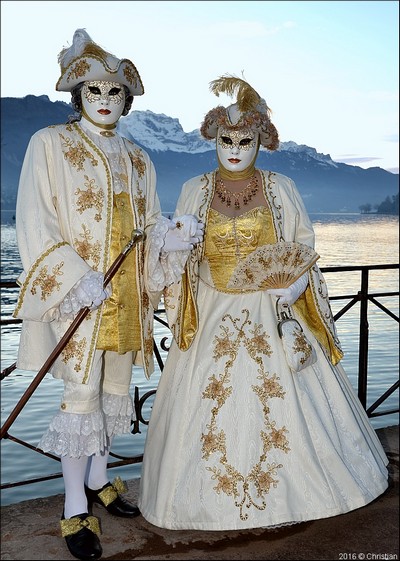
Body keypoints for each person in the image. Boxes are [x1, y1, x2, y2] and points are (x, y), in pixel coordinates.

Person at [138, 75, 389, 530]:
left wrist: (294, 287)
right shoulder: (195, 189)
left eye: (245, 140)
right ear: (214, 139)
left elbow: (303, 247)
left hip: (270, 308)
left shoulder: (281, 187)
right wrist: (173, 245)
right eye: (226, 139)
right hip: (210, 311)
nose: (234, 148)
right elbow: (181, 256)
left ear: (260, 141)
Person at [13, 29, 202, 560]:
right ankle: (75, 505)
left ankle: (98, 476)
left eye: (114, 92)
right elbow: (34, 219)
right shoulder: (49, 144)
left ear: (126, 99)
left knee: (115, 391)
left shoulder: (141, 159)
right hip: (83, 297)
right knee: (80, 397)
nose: (104, 100)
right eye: (93, 92)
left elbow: (147, 228)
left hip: (128, 296)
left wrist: (173, 238)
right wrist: (74, 278)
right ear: (77, 96)